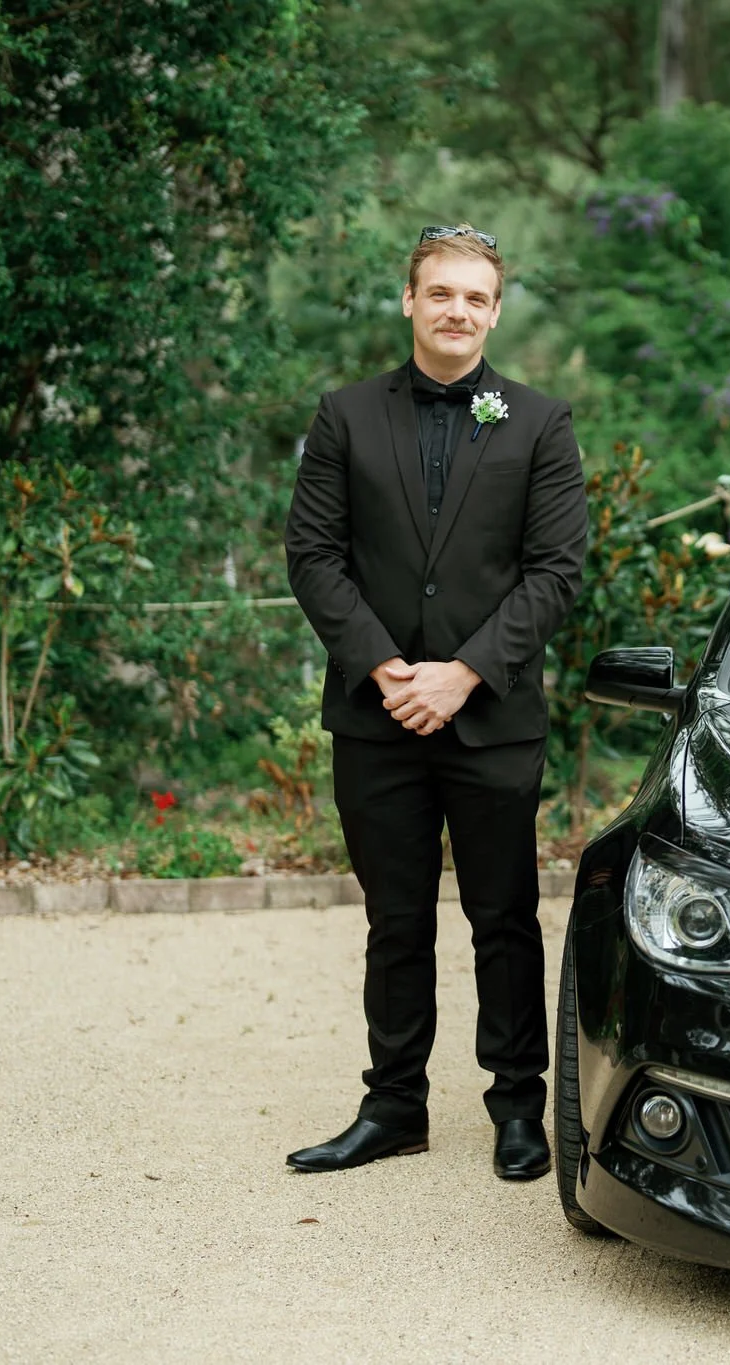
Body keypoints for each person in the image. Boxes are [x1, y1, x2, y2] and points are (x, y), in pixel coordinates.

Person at [282, 224, 588, 1179]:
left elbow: (555, 570)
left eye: (477, 298)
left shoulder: (539, 422)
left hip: (493, 716)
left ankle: (517, 1109)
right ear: (409, 301)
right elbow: (314, 556)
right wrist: (384, 668)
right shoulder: (344, 415)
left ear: (495, 312)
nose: (459, 310)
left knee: (503, 917)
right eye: (442, 293)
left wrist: (463, 672)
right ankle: (394, 1107)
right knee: (395, 916)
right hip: (376, 717)